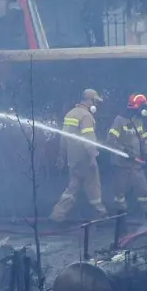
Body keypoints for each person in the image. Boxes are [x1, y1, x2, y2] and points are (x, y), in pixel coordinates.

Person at [51, 89, 105, 222]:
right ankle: (101, 214)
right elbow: (88, 139)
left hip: (73, 160)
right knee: (94, 188)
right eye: (96, 102)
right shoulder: (86, 116)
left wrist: (61, 156)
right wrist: (92, 157)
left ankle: (57, 214)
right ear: (90, 101)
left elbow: (64, 138)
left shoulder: (70, 114)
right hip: (85, 159)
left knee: (72, 189)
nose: (96, 105)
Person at [106, 94, 147, 216]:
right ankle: (120, 215)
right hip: (121, 164)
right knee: (119, 192)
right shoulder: (119, 121)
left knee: (142, 189)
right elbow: (111, 140)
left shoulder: (138, 122)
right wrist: (124, 152)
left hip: (136, 164)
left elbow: (144, 140)